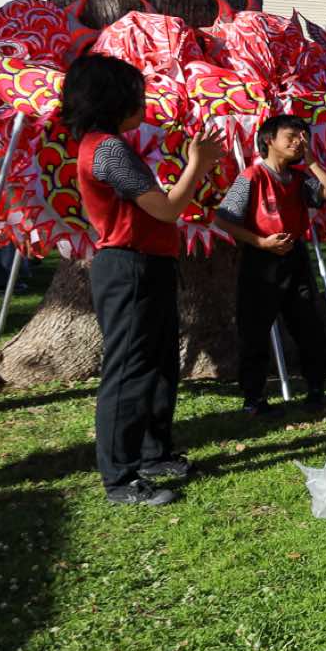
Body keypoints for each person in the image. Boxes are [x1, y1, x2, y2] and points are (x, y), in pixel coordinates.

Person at [64, 53, 222, 505]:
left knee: (159, 364)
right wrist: (198, 164)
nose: (144, 102)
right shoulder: (107, 149)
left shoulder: (110, 144)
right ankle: (120, 477)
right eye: (137, 94)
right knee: (130, 370)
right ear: (112, 99)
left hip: (148, 264)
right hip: (127, 267)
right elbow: (167, 209)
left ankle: (154, 454)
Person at [216, 113, 326, 417]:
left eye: (303, 137)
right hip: (261, 261)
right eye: (292, 136)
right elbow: (223, 219)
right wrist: (261, 242)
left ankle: (315, 390)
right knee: (254, 331)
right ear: (269, 140)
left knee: (309, 325)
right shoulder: (252, 176)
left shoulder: (299, 179)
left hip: (294, 257)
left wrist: (311, 162)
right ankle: (253, 399)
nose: (299, 142)